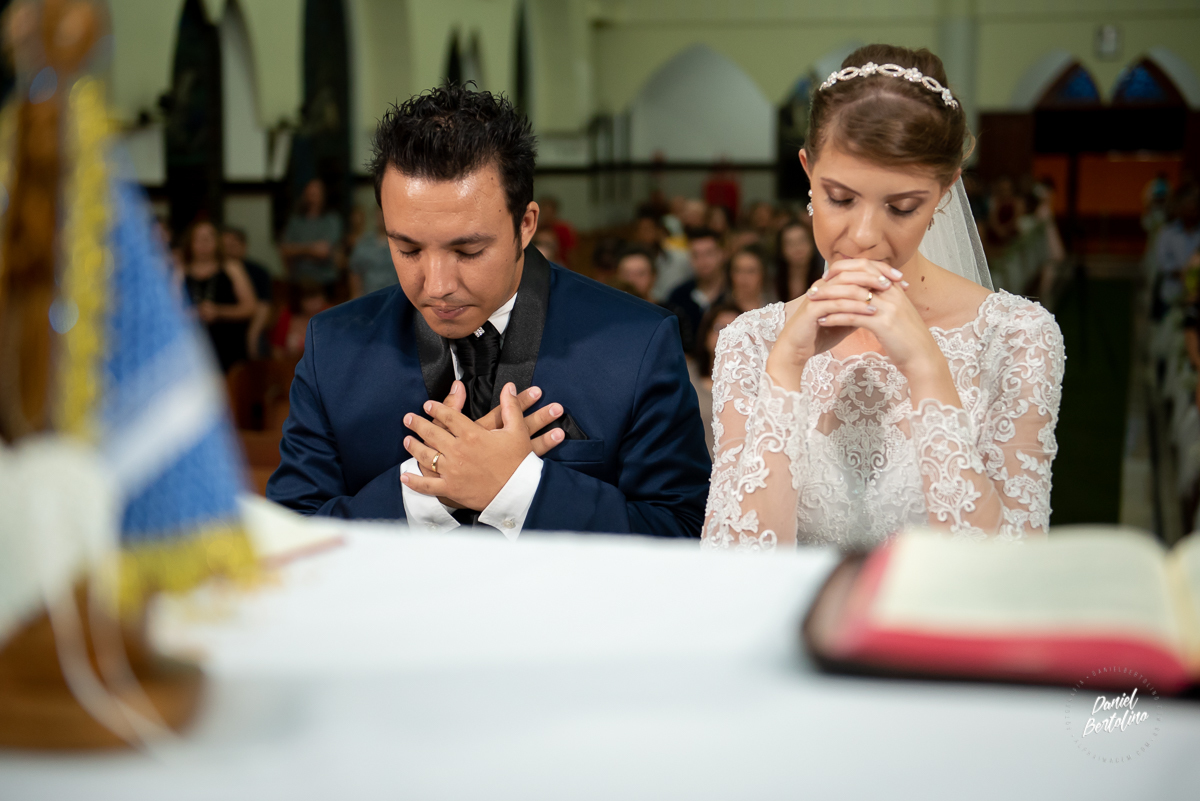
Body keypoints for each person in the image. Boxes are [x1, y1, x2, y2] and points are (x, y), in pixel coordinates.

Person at [267, 85, 710, 537]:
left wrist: (519, 490)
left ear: (526, 224)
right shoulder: (334, 346)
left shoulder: (636, 343)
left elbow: (685, 531)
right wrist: (423, 494)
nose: (437, 286)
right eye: (408, 248)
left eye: (468, 250)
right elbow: (285, 536)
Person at [702, 44, 1065, 550]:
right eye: (840, 199)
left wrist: (926, 366)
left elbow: (1012, 567)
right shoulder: (751, 342)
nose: (864, 236)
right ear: (808, 171)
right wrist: (785, 366)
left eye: (901, 207)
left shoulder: (1017, 337)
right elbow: (732, 563)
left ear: (943, 192)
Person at [180, 219, 258, 372]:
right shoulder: (180, 271)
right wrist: (192, 314)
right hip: (194, 344)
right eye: (199, 238)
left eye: (209, 238)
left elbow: (250, 307)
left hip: (229, 342)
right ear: (190, 243)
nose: (204, 243)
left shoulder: (232, 268)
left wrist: (219, 312)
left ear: (217, 242)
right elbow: (171, 311)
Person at [689, 300, 742, 459]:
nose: (727, 336)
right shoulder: (687, 375)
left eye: (735, 330)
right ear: (706, 336)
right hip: (694, 474)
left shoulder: (758, 384)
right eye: (720, 328)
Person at [666, 227, 727, 352]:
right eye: (696, 255)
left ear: (722, 254)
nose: (702, 261)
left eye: (709, 253)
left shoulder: (734, 293)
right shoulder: (678, 296)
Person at [222, 226, 274, 359]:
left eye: (233, 245)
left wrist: (252, 336)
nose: (228, 250)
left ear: (244, 246)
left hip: (250, 326)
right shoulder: (217, 272)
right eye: (224, 246)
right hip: (223, 326)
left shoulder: (258, 272)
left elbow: (263, 307)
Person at [280, 178, 343, 286]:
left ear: (323, 195)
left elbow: (323, 252)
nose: (313, 197)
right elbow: (285, 250)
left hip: (325, 280)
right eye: (310, 193)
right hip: (299, 280)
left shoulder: (332, 220)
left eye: (316, 193)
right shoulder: (295, 221)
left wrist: (298, 250)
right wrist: (311, 249)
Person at [271, 282, 331, 361]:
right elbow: (277, 350)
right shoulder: (287, 316)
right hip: (291, 367)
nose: (316, 304)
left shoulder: (328, 314)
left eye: (318, 298)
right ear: (298, 300)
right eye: (309, 300)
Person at [349, 206, 400, 298]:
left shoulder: (400, 242)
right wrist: (356, 295)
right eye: (378, 215)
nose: (381, 218)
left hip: (395, 296)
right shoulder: (363, 242)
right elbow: (355, 271)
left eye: (383, 215)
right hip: (369, 295)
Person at [775, 219, 824, 302]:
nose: (797, 248)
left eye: (802, 241)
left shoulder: (824, 278)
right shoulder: (772, 284)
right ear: (781, 249)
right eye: (790, 243)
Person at [727, 245, 771, 312]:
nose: (744, 277)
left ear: (763, 274)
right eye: (738, 271)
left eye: (751, 271)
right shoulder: (721, 310)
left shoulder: (775, 310)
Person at [537, 194, 577, 266]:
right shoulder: (536, 228)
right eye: (544, 211)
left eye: (548, 211)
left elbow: (571, 252)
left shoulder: (563, 229)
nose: (546, 215)